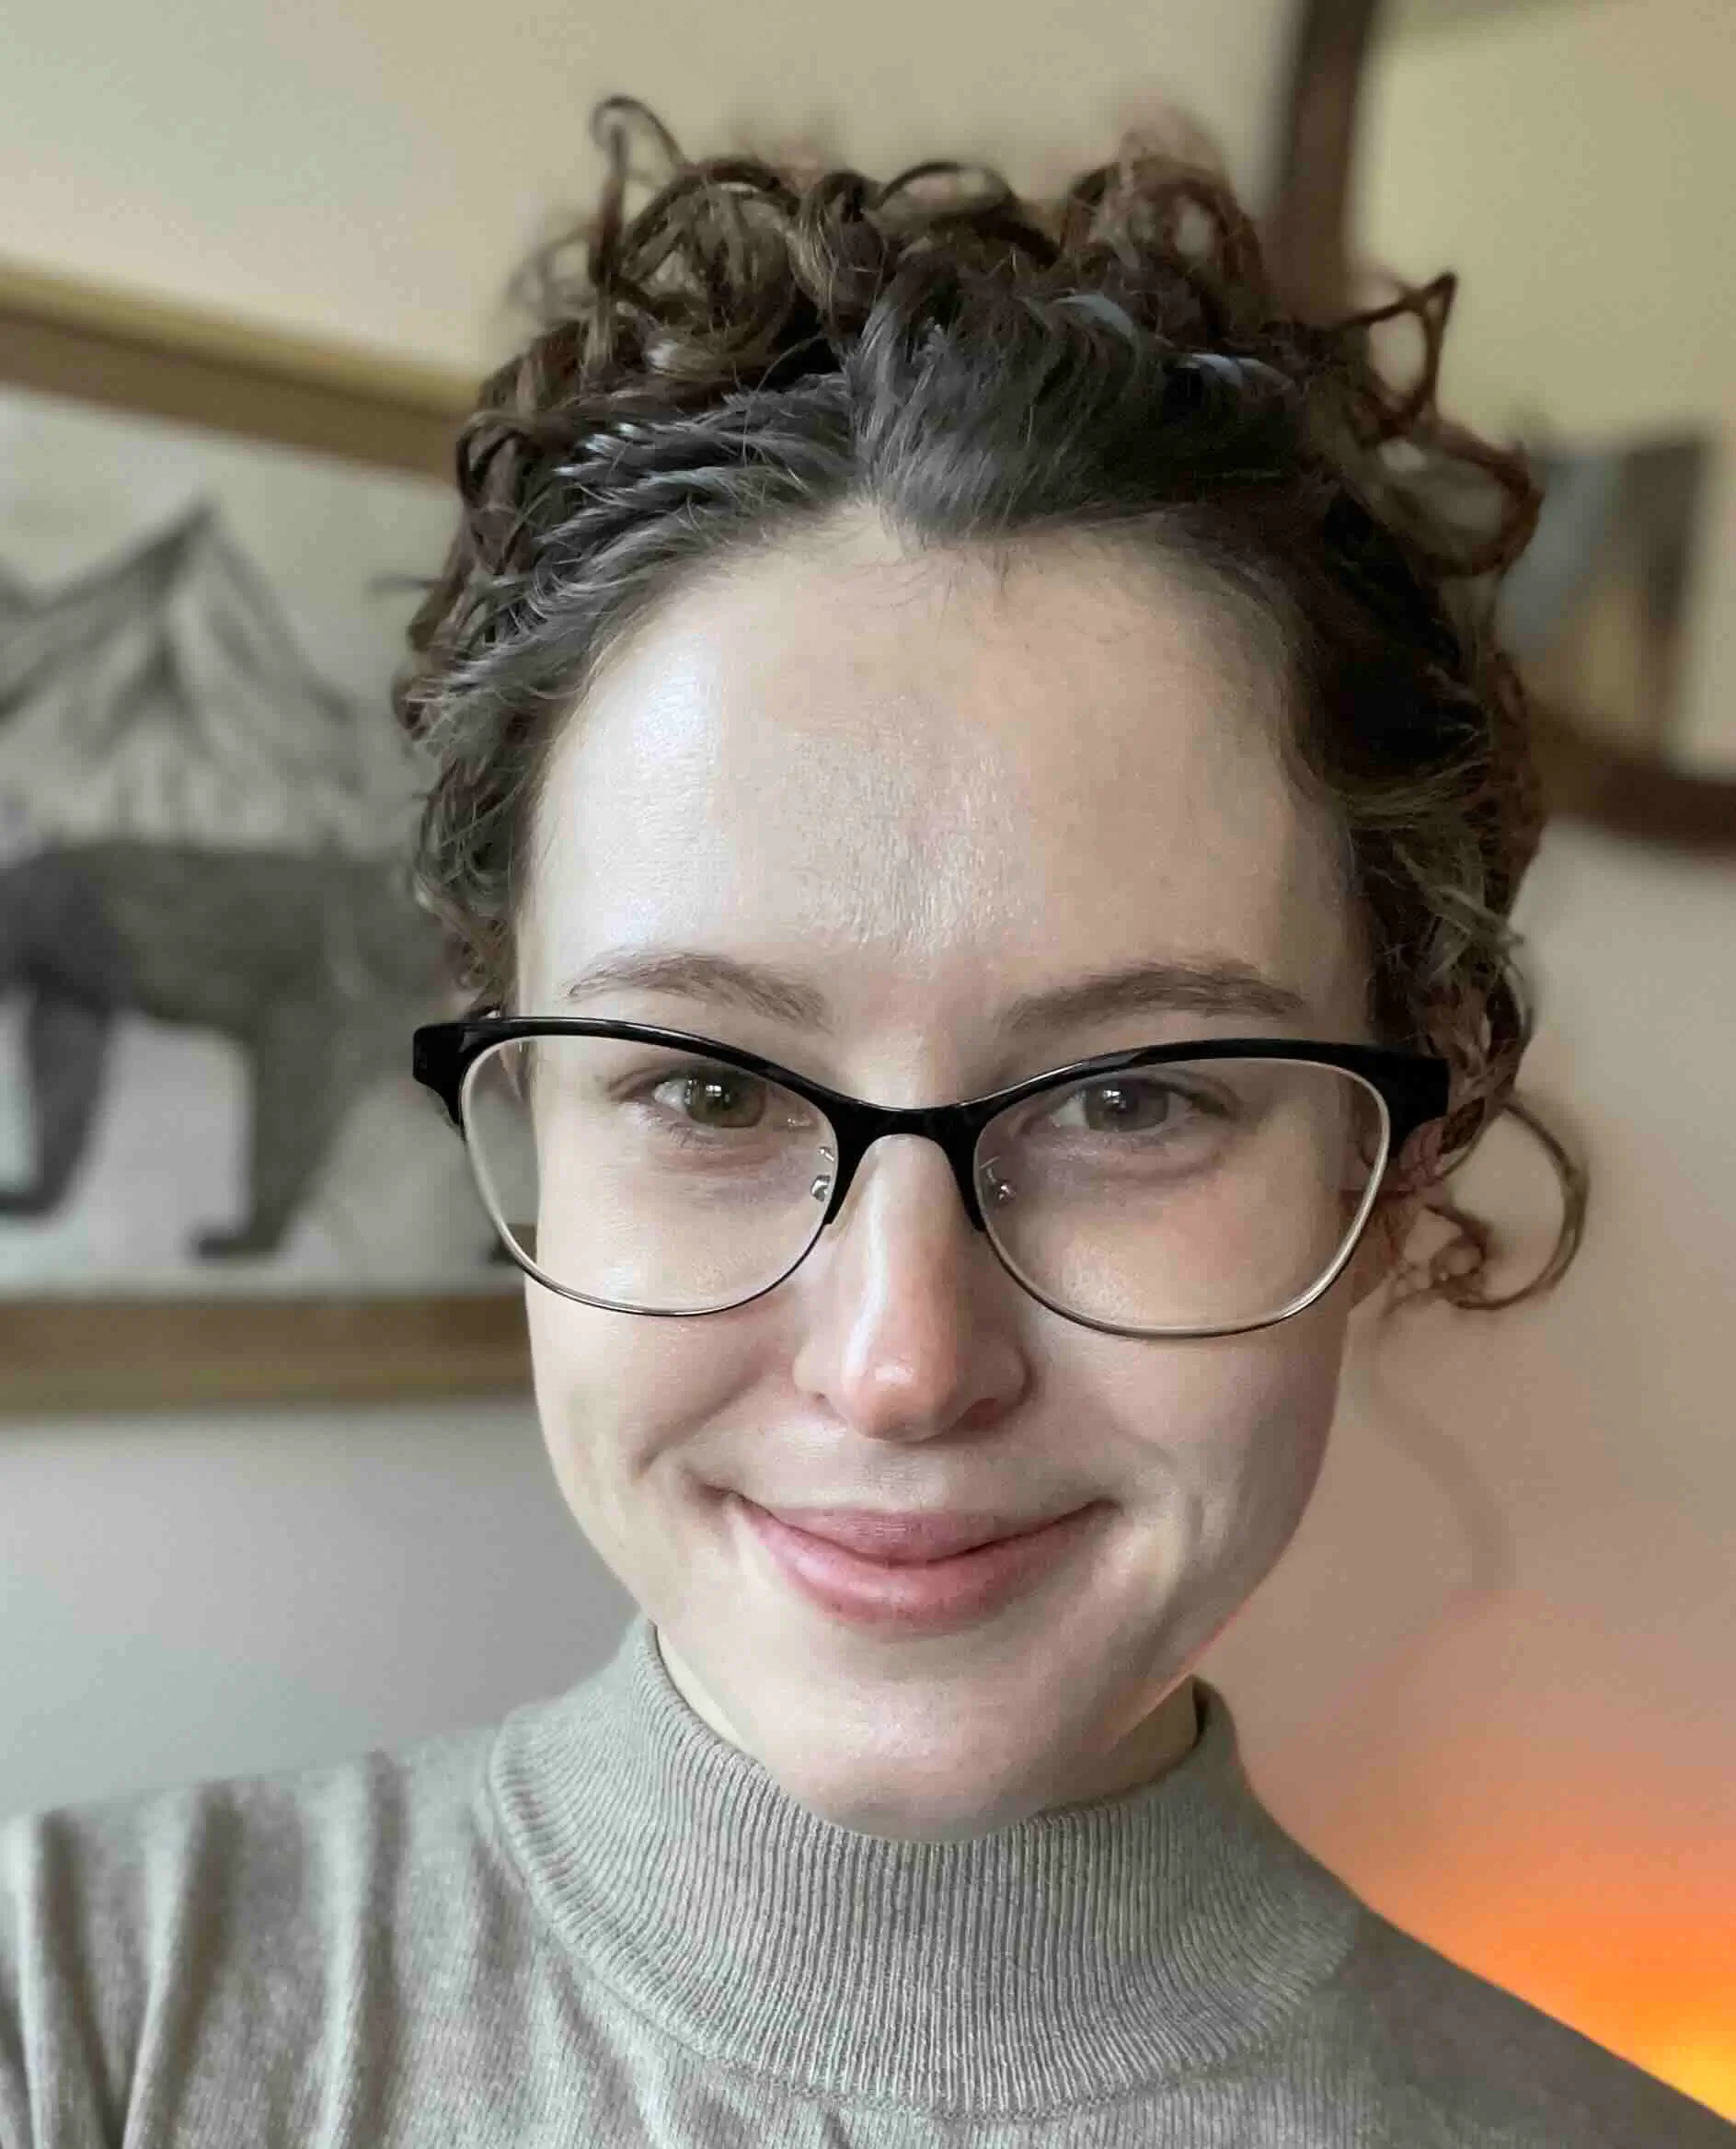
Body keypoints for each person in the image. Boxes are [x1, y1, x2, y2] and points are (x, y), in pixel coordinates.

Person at [2, 93, 1729, 2149]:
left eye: (1130, 1097)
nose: (902, 1364)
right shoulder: (70, 2024)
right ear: (528, 1105)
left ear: (1392, 1170)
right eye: (707, 1085)